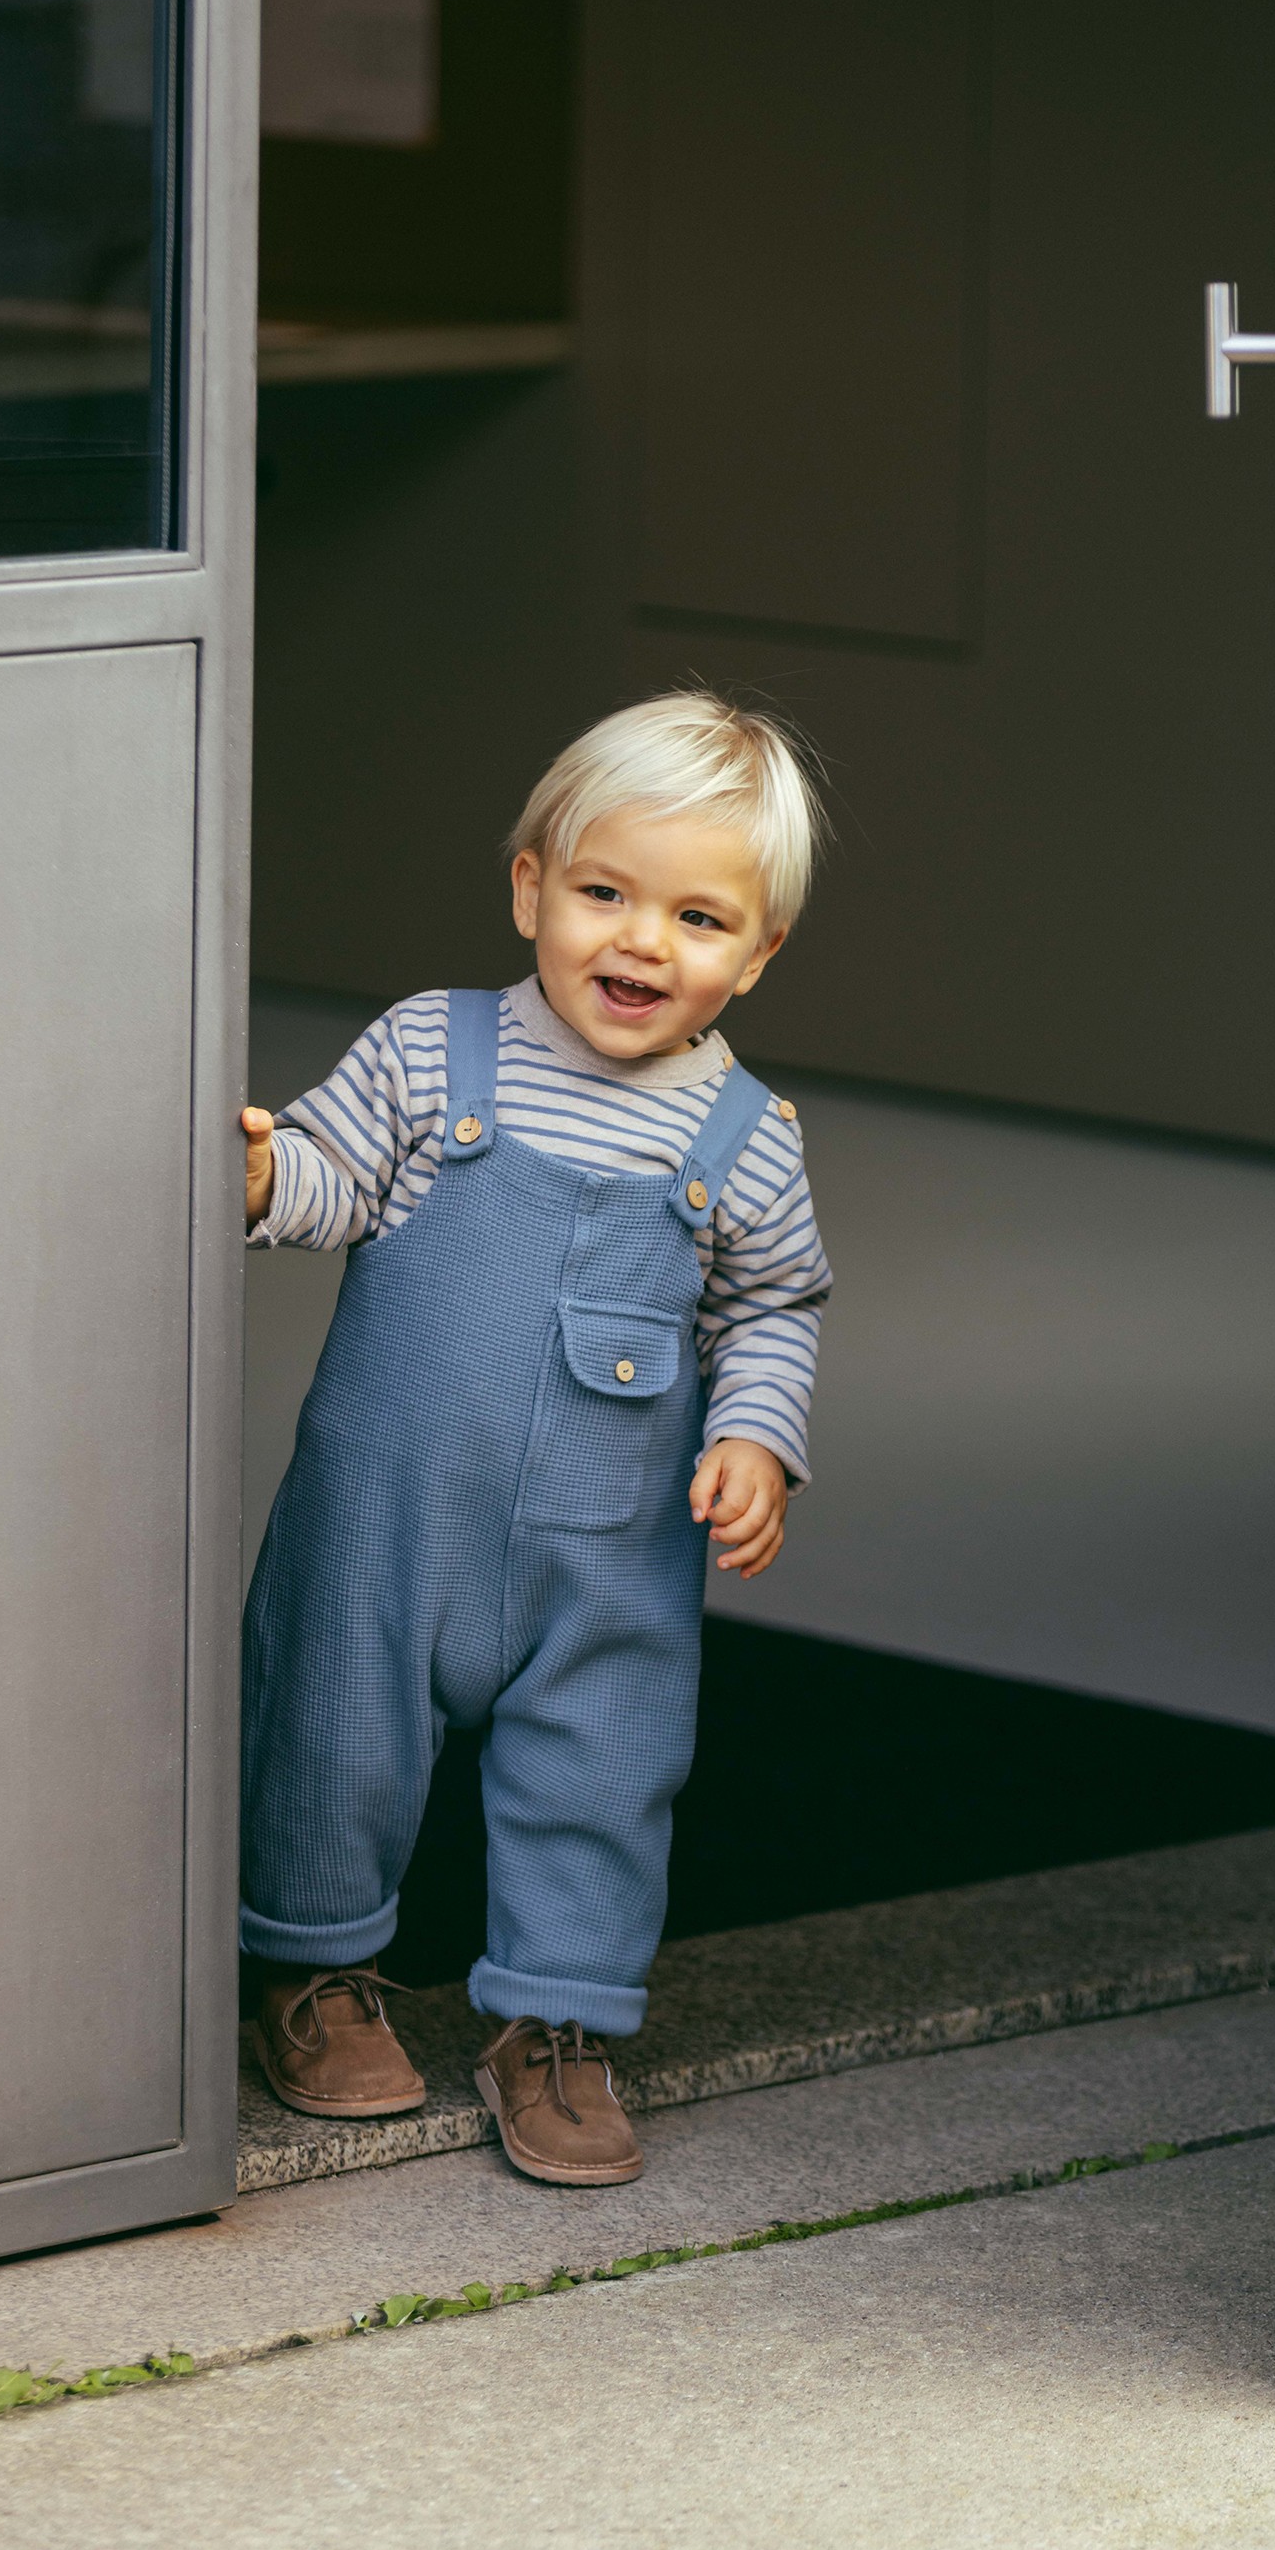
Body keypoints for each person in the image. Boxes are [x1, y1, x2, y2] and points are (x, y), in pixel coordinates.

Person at [238, 691, 829, 2186]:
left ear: (756, 956)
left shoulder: (746, 1138)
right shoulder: (432, 1056)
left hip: (610, 1546)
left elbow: (774, 1307)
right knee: (335, 1728)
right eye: (602, 894)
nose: (640, 943)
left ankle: (555, 2023)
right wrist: (260, 1181)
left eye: (698, 918)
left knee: (603, 1767)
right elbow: (332, 1179)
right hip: (388, 1515)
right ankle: (313, 1973)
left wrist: (758, 1442)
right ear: (529, 889)